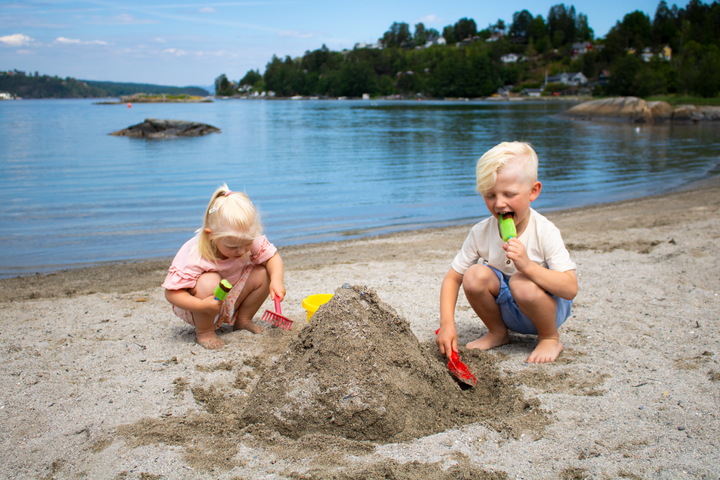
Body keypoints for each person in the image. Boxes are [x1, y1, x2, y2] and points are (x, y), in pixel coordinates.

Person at [436, 142, 577, 363]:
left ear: (533, 191)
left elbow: (570, 289)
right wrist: (447, 325)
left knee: (520, 281)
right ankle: (498, 332)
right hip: (507, 311)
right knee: (473, 274)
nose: (499, 203)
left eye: (509, 194)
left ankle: (550, 338)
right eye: (490, 195)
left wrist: (528, 266)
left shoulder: (544, 230)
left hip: (545, 310)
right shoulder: (481, 232)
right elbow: (453, 279)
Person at [162, 184, 285, 349]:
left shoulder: (243, 236)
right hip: (198, 306)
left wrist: (276, 280)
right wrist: (201, 305)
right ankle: (205, 332)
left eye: (247, 243)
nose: (241, 251)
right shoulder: (195, 253)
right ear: (210, 235)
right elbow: (171, 293)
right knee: (209, 281)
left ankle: (243, 320)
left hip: (231, 298)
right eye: (233, 247)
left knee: (265, 272)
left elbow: (273, 258)